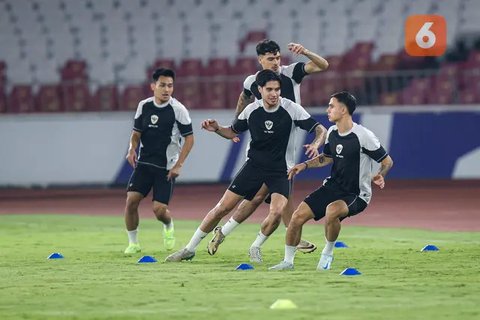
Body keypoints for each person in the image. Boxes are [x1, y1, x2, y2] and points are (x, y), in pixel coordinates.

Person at [165, 69, 325, 262]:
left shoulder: (291, 109)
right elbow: (232, 132)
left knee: (276, 212)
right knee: (222, 208)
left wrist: (316, 143)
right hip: (254, 168)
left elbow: (320, 129)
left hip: (280, 171)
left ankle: (255, 247)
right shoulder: (252, 110)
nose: (274, 94)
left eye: (277, 89)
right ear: (260, 89)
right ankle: (189, 249)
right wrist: (216, 129)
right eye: (269, 89)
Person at [208, 39, 329, 257]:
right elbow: (244, 97)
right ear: (260, 59)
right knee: (274, 194)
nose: (275, 62)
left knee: (262, 197)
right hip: (266, 146)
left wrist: (306, 52)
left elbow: (323, 65)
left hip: (287, 141)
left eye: (278, 57)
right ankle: (291, 235)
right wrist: (236, 126)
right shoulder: (251, 81)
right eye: (271, 58)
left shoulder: (291, 72)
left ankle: (225, 231)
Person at [269, 91, 394, 270]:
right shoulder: (333, 132)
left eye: (331, 106)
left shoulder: (363, 136)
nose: (328, 109)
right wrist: (303, 165)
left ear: (343, 110)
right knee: (296, 217)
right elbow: (327, 158)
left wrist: (381, 174)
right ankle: (288, 262)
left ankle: (327, 253)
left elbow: (387, 161)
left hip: (357, 193)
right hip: (332, 187)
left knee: (332, 210)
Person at [123, 68, 194, 254]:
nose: (167, 89)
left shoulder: (178, 110)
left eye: (170, 86)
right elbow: (136, 133)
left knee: (159, 210)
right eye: (162, 85)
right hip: (145, 164)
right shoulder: (144, 106)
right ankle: (133, 244)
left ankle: (168, 225)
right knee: (131, 201)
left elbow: (190, 139)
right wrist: (131, 148)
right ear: (153, 86)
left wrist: (179, 165)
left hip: (166, 168)